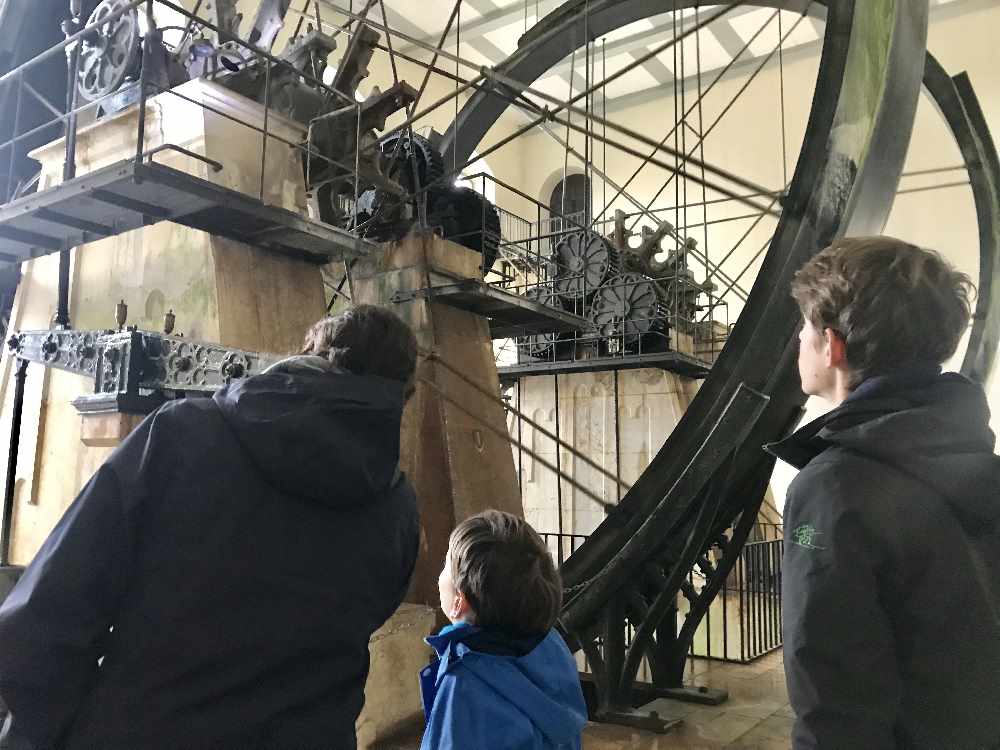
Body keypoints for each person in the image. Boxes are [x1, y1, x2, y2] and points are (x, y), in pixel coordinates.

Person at [0, 305, 421, 749]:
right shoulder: (397, 510)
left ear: (311, 352)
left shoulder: (181, 435)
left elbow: (56, 603)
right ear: (401, 396)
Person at [767, 236, 1000, 748]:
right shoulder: (976, 456)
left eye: (803, 327)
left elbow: (832, 695)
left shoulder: (834, 487)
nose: (799, 343)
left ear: (832, 345)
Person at [420, 510, 587, 749]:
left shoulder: (464, 683)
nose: (442, 571)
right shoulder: (551, 645)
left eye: (447, 563)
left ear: (460, 600)